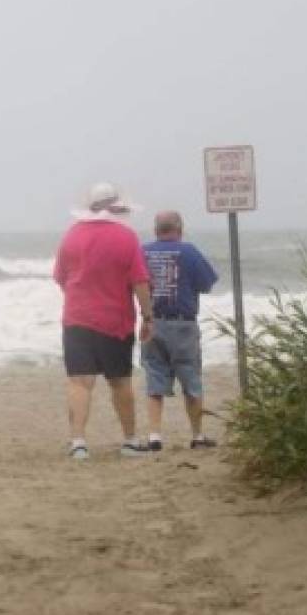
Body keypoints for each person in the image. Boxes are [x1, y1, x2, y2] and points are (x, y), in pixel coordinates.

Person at [54, 182, 154, 460]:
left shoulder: (71, 235)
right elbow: (140, 282)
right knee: (120, 381)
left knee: (79, 382)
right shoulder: (126, 237)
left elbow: (61, 277)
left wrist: (80, 298)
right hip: (116, 319)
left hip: (76, 318)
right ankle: (130, 441)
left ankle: (78, 443)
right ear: (117, 207)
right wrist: (147, 316)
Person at [141, 211, 220, 451]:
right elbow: (206, 284)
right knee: (191, 378)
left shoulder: (143, 252)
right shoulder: (189, 251)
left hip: (153, 321)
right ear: (180, 228)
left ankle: (154, 435)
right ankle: (197, 435)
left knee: (154, 377)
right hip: (183, 323)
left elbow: (134, 284)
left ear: (156, 230)